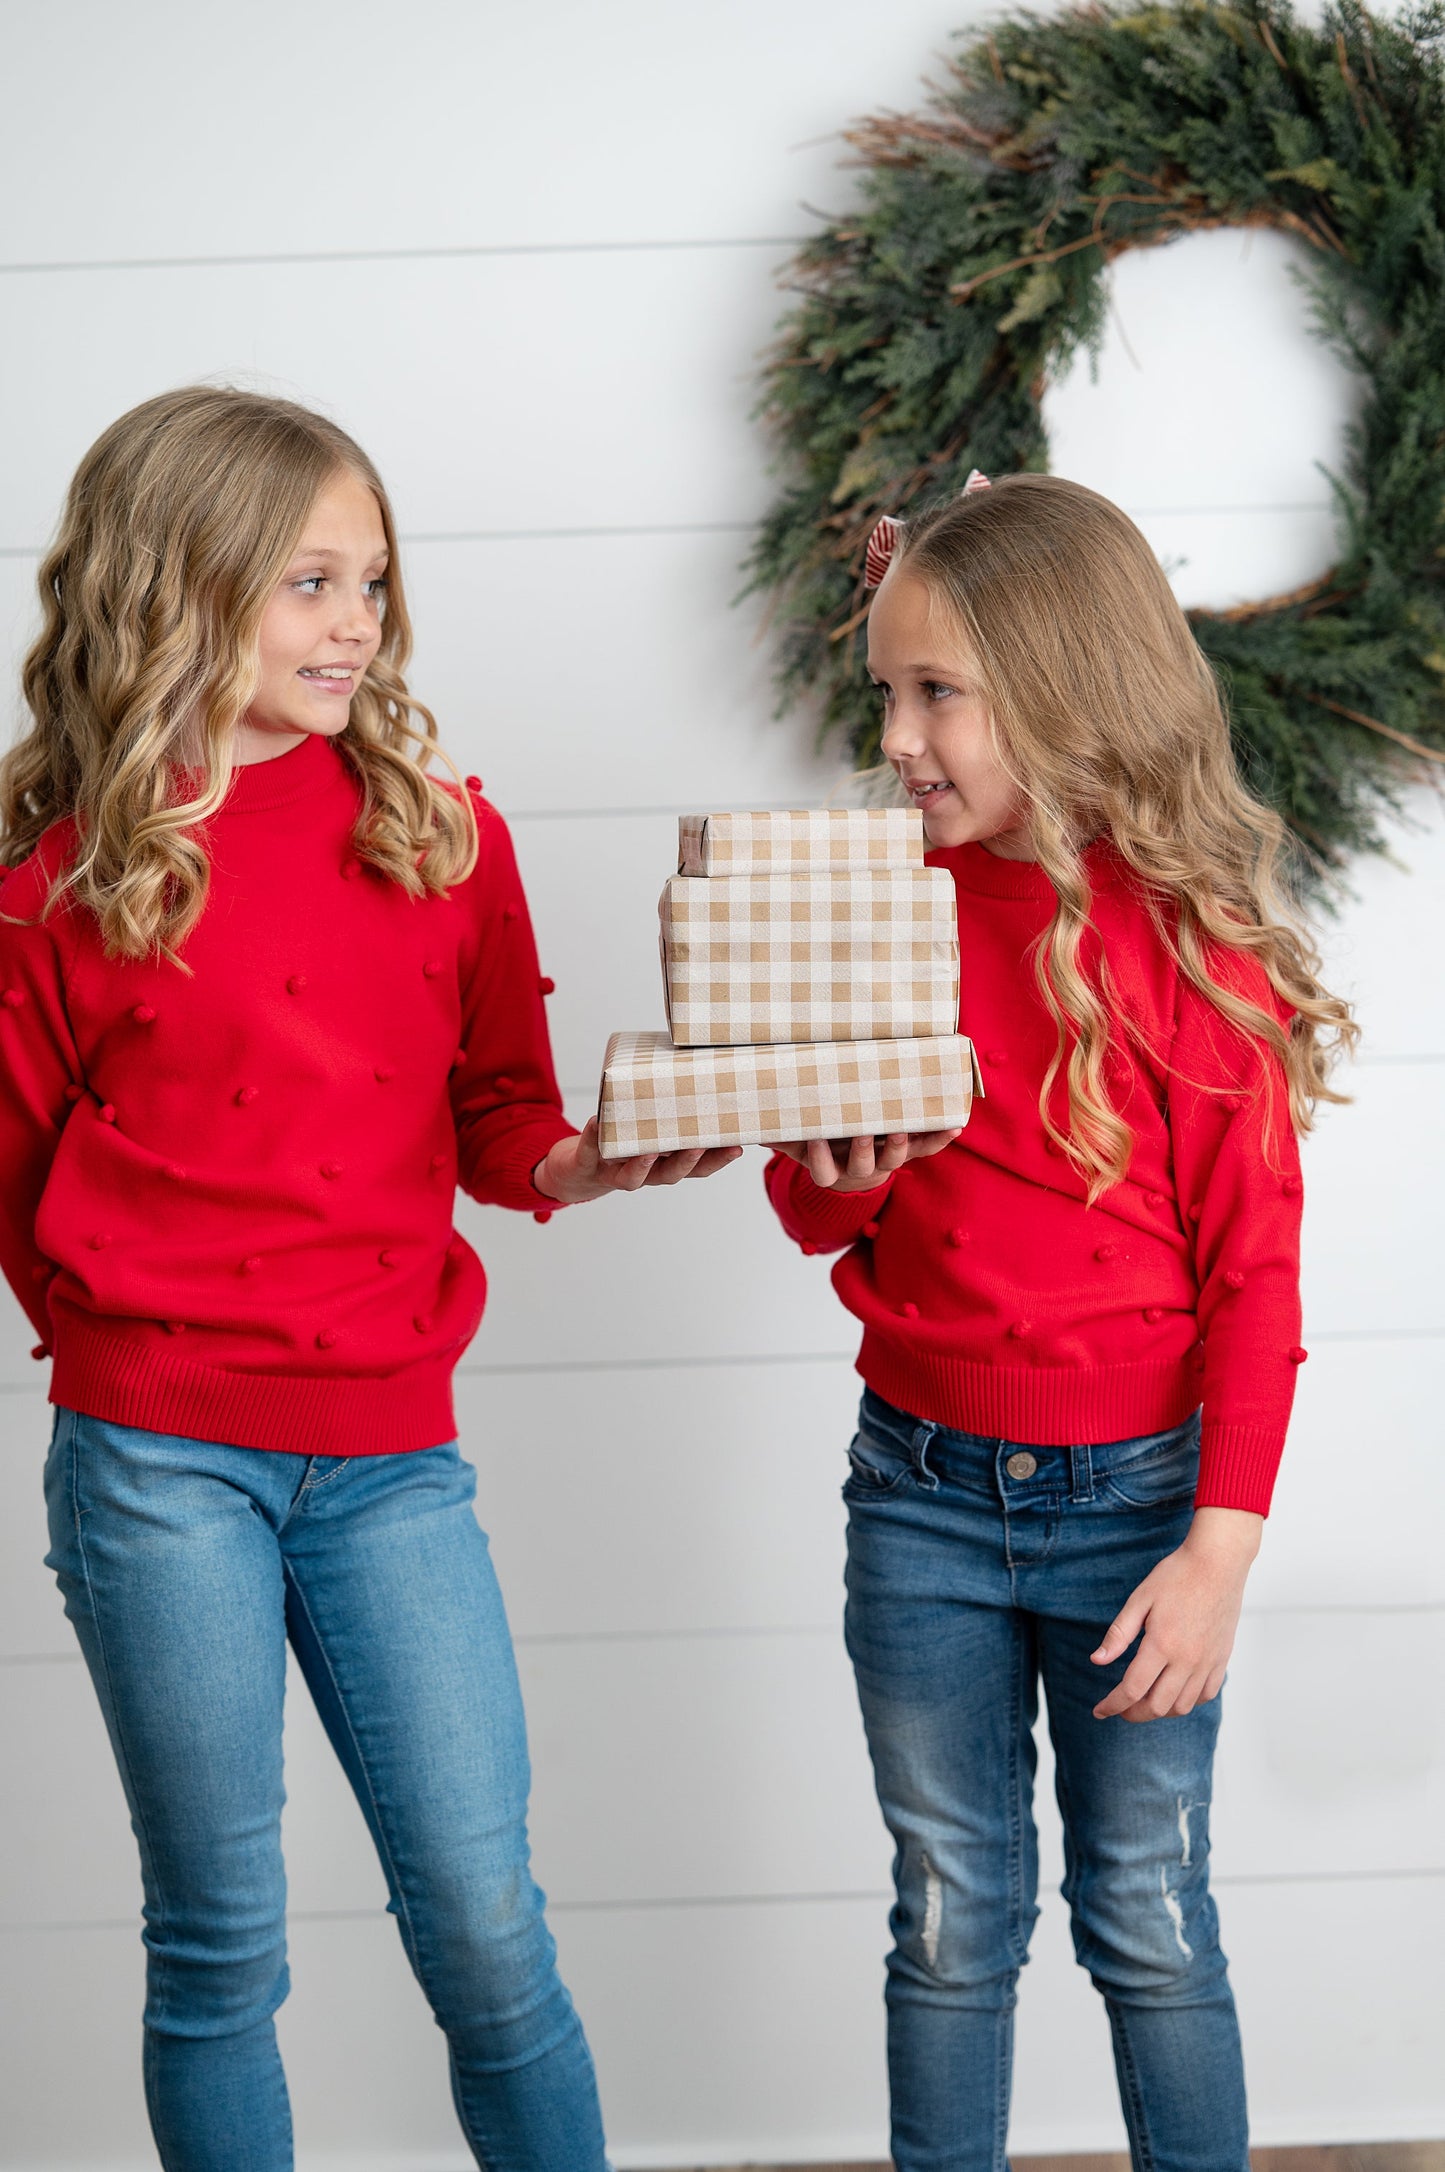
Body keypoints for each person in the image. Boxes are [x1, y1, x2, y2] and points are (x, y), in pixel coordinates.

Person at [0, 385, 739, 2172]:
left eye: (374, 584)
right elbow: (20, 1196)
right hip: (158, 1466)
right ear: (175, 585)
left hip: (393, 1462)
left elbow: (502, 1117)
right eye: (309, 582)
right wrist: (155, 1352)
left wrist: (589, 1160)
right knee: (219, 1952)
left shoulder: (442, 837)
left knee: (488, 1930)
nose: (357, 625)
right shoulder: (59, 879)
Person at [764, 472, 1355, 2172]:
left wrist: (1219, 1554)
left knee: (1149, 1915)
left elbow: (1254, 1283)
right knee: (951, 1916)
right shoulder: (880, 919)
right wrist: (845, 1170)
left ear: (1066, 689)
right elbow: (818, 1209)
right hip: (921, 1499)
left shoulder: (1191, 951)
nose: (896, 736)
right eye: (886, 690)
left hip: (1136, 1519)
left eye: (935, 692)